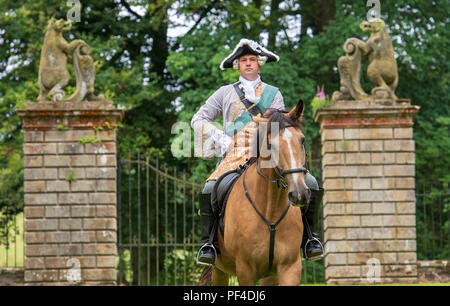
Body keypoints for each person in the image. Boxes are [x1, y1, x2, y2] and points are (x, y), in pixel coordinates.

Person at [191, 39, 324, 266]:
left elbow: (279, 126)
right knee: (210, 188)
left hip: (267, 155)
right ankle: (209, 244)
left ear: (259, 63)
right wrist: (221, 138)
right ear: (237, 65)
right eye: (244, 60)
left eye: (252, 59)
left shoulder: (274, 94)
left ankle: (310, 239)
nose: (249, 64)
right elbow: (198, 119)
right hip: (232, 156)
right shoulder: (224, 93)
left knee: (310, 182)